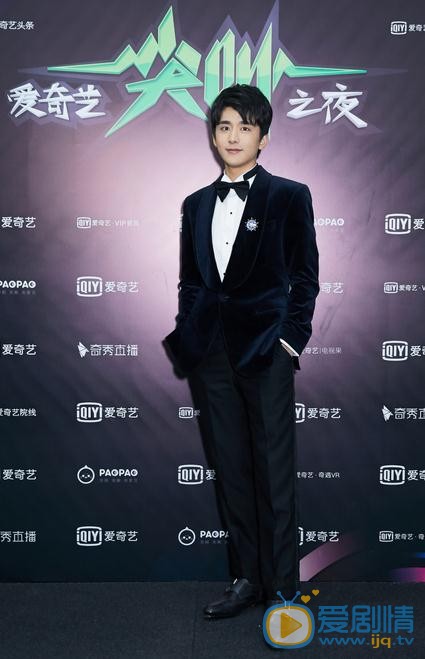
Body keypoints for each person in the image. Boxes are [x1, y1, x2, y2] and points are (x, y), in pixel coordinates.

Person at [164, 83, 319, 619]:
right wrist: (190, 334)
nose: (233, 136)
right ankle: (247, 579)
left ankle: (283, 590)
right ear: (213, 135)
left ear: (263, 138)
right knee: (231, 471)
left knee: (274, 474)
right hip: (212, 356)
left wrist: (288, 341)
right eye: (225, 126)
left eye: (245, 127)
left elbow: (305, 278)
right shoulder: (194, 204)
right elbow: (191, 282)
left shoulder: (290, 195)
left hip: (267, 351)